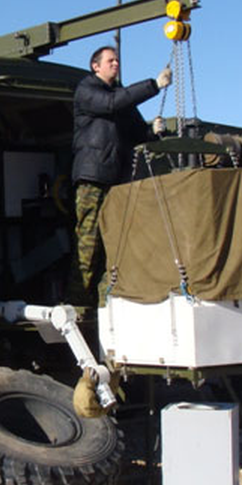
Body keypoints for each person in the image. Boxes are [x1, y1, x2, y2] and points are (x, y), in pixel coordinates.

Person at [71, 45, 171, 302]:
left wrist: (154, 131)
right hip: (93, 177)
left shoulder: (119, 97)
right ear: (96, 66)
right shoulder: (87, 91)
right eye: (110, 61)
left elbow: (137, 132)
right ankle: (78, 300)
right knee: (89, 242)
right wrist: (154, 85)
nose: (116, 64)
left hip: (116, 180)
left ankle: (106, 302)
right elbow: (111, 104)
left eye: (117, 61)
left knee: (114, 243)